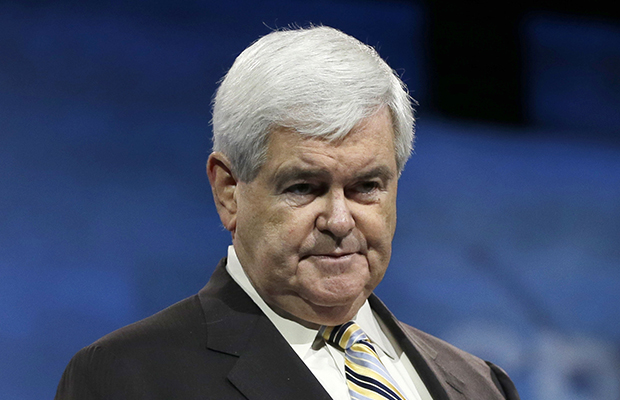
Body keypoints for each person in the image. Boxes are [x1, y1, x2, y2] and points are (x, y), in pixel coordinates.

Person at [55, 26, 520, 400]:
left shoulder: (480, 385)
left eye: (366, 187)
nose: (339, 221)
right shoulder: (126, 379)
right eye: (304, 187)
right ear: (229, 191)